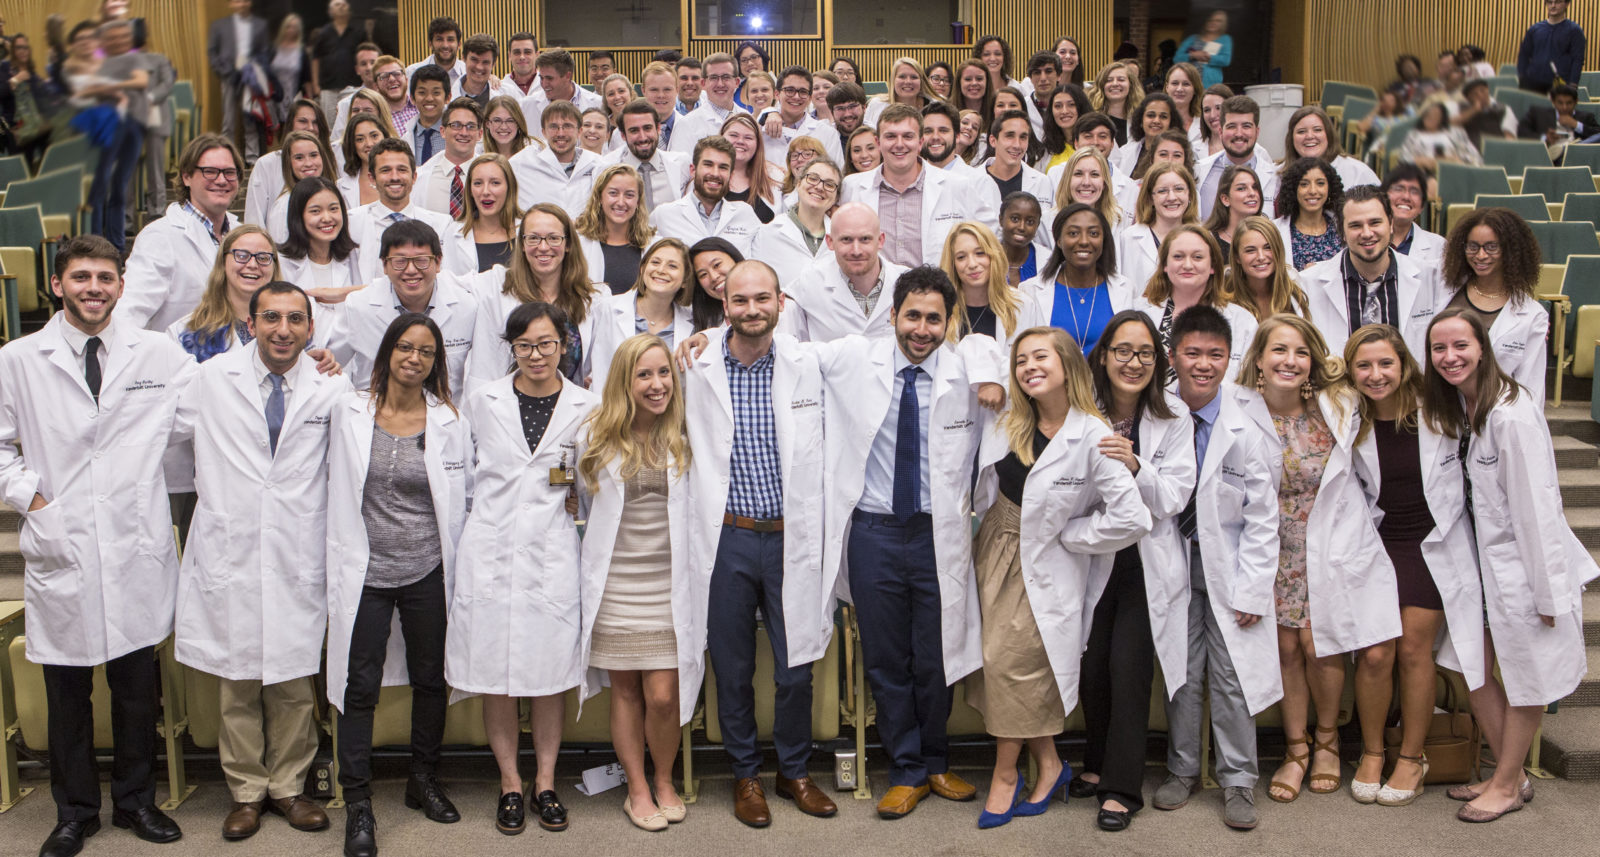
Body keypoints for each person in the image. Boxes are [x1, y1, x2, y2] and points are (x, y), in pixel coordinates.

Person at [0, 235, 193, 857]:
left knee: (138, 688)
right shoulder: (20, 359)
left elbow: (216, 401)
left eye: (105, 278)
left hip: (133, 542)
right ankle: (75, 813)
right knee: (67, 694)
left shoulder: (156, 352)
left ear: (121, 285)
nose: (94, 288)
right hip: (64, 544)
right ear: (57, 285)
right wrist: (36, 502)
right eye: (81, 277)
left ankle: (136, 803)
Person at [806, 267, 988, 819]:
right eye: (913, 315)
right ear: (892, 315)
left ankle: (936, 762)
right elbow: (785, 352)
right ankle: (906, 770)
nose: (923, 328)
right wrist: (707, 337)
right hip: (874, 533)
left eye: (935, 318)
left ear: (948, 321)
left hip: (938, 535)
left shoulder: (966, 374)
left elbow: (1003, 363)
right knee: (886, 659)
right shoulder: (856, 358)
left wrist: (983, 356)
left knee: (935, 657)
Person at [170, 280, 343, 842]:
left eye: (295, 319)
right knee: (237, 681)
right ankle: (245, 792)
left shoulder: (329, 389)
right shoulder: (209, 380)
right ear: (251, 322)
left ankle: (290, 788)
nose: (283, 329)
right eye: (271, 317)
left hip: (296, 550)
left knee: (293, 681)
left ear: (310, 328)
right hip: (233, 550)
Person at [970, 325, 1152, 829]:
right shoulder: (1011, 420)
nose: (1029, 367)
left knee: (1010, 665)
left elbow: (1132, 518)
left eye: (1040, 358)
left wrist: (1073, 535)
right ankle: (1050, 764)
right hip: (996, 549)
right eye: (1021, 360)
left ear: (1068, 365)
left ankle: (1006, 774)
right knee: (998, 664)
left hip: (1045, 563)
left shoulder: (1093, 435)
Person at [680, 260, 838, 828]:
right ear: (724, 304)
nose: (752, 309)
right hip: (726, 538)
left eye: (762, 299)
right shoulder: (692, 362)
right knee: (732, 664)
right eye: (740, 300)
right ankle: (745, 773)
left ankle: (793, 770)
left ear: (780, 302)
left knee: (797, 667)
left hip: (791, 536)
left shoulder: (807, 362)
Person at [1423, 307, 1596, 822]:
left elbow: (1537, 508)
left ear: (1483, 347)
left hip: (1524, 568)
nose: (1450, 357)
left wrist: (1547, 593)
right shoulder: (1465, 405)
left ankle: (1504, 783)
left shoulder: (1512, 413)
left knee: (1526, 676)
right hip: (1480, 567)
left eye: (1460, 345)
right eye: (1439, 349)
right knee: (1472, 669)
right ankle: (1511, 773)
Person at [444, 300, 599, 836]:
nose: (536, 355)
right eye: (525, 346)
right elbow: (463, 474)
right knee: (497, 678)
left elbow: (585, 483)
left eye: (546, 344)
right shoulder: (482, 399)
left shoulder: (587, 405)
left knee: (549, 677)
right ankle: (510, 782)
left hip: (553, 552)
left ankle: (546, 782)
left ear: (564, 346)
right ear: (511, 348)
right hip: (489, 550)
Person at [1238, 315, 1400, 804]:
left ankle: (1327, 741)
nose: (1290, 360)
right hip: (1270, 543)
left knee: (1319, 646)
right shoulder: (1240, 409)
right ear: (1260, 361)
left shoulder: (1338, 403)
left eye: (1301, 352)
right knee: (1286, 648)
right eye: (1279, 351)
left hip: (1333, 541)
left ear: (1313, 363)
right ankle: (1295, 749)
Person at [325, 312, 470, 857]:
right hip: (363, 570)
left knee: (431, 678)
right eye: (405, 347)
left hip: (427, 567)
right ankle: (358, 800)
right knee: (357, 685)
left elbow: (466, 492)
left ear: (436, 362)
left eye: (426, 352)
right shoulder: (349, 411)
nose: (414, 358)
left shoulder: (449, 419)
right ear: (387, 351)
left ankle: (422, 779)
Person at [1343, 324, 1484, 807]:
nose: (1376, 374)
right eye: (1364, 365)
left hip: (1431, 544)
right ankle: (1373, 751)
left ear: (1404, 364)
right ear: (1351, 371)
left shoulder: (1440, 413)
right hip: (1377, 545)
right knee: (1377, 654)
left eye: (1386, 363)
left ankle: (1412, 756)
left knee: (1412, 651)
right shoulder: (1349, 419)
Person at [1152, 304, 1280, 831]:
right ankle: (1182, 771)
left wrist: (1252, 590)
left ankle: (1237, 779)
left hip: (1227, 567)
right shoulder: (1156, 415)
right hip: (1173, 562)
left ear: (1229, 359)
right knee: (1181, 673)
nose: (1203, 364)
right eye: (1192, 353)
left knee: (1231, 678)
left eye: (1215, 355)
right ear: (1173, 355)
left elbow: (1262, 516)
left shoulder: (1244, 425)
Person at [1074, 311, 1196, 831]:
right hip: (1092, 554)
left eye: (1145, 352)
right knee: (1092, 666)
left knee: (1128, 670)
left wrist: (1136, 464)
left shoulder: (1174, 418)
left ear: (1158, 361)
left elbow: (1175, 495)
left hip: (1145, 562)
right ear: (1103, 356)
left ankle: (1123, 788)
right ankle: (1098, 766)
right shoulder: (1082, 414)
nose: (1133, 361)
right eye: (1122, 350)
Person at [575, 333, 699, 832]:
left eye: (664, 372)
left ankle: (664, 779)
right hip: (617, 581)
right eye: (644, 375)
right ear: (624, 382)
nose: (656, 384)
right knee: (625, 690)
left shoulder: (687, 431)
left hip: (669, 584)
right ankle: (638, 788)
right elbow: (583, 506)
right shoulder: (595, 434)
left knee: (664, 694)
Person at [465, 204, 609, 388]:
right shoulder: (496, 284)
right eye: (533, 238)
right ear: (522, 245)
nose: (543, 247)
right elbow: (444, 284)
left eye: (553, 238)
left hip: (572, 409)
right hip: (506, 407)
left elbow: (603, 362)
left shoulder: (594, 298)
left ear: (568, 244)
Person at [840, 104, 1001, 267]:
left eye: (908, 136)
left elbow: (991, 237)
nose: (899, 144)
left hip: (939, 290)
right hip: (876, 291)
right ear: (878, 142)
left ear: (920, 142)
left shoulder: (958, 186)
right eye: (890, 136)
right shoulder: (852, 187)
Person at [327, 219, 476, 393]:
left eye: (421, 260)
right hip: (375, 410)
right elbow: (329, 362)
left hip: (442, 414)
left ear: (438, 262)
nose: (411, 270)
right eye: (400, 261)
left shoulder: (466, 307)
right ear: (384, 265)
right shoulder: (358, 306)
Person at [1303, 186, 1447, 359]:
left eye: (1375, 223)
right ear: (1342, 232)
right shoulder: (1307, 285)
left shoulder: (1431, 278)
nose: (1367, 233)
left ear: (1391, 224)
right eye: (1356, 225)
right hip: (1340, 385)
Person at [123, 135, 245, 331]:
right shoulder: (159, 237)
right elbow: (129, 313)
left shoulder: (243, 234)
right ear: (186, 177)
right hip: (175, 358)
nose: (222, 180)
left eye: (230, 172)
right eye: (210, 172)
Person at [1440, 207, 1549, 401]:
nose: (1480, 255)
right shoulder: (1443, 294)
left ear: (1510, 251)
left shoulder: (1532, 315)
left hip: (1496, 416)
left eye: (1492, 247)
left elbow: (1531, 388)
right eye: (1473, 246)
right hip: (1442, 410)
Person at [1135, 224, 1258, 379]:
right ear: (1165, 265)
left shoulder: (1244, 322)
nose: (1187, 265)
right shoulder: (1138, 312)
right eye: (1178, 256)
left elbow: (1246, 384)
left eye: (1198, 257)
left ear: (1213, 266)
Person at [1016, 203, 1134, 354]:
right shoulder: (1029, 290)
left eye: (1093, 234)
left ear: (1104, 240)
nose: (1084, 241)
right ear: (1058, 241)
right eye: (1073, 233)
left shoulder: (1125, 288)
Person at [780, 203, 908, 342]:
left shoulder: (909, 284)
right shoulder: (810, 282)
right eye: (846, 240)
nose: (856, 251)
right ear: (830, 242)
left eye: (865, 239)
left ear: (880, 240)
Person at [344, 137, 455, 285]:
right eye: (386, 170)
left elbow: (445, 279)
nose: (395, 177)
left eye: (402, 170)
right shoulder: (351, 223)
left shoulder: (440, 224)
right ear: (372, 178)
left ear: (414, 176)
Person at [588, 238, 696, 386]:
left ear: (685, 280)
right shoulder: (605, 309)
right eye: (655, 262)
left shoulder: (694, 324)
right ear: (642, 268)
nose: (661, 270)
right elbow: (582, 368)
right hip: (612, 407)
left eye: (672, 266)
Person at [649, 135, 761, 255]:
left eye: (723, 167)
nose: (715, 173)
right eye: (708, 164)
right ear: (693, 170)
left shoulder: (745, 214)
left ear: (731, 175)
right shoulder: (664, 215)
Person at [246, 99, 330, 228]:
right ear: (290, 124)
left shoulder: (327, 162)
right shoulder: (267, 163)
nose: (310, 128)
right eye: (303, 121)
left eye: (315, 123)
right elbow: (254, 219)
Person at [753, 158, 840, 284]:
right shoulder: (768, 233)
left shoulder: (843, 237)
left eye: (830, 184)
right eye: (813, 178)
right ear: (798, 184)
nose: (820, 187)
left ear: (836, 197)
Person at [510, 101, 603, 219]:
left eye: (567, 126)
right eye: (553, 127)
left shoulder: (598, 164)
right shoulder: (521, 162)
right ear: (543, 132)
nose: (560, 133)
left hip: (584, 236)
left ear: (579, 131)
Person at [1118, 162, 1199, 292]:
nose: (1172, 197)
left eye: (1179, 189)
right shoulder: (1129, 238)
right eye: (1162, 191)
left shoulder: (1203, 237)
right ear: (1150, 198)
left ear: (1189, 194)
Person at [601, 99, 691, 215]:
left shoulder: (681, 163)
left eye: (647, 128)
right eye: (634, 131)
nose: (642, 137)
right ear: (623, 135)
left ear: (658, 129)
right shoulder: (606, 168)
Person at [1195, 95, 1277, 220]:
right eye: (1231, 126)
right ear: (1221, 132)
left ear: (1257, 132)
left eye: (1246, 126)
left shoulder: (1275, 178)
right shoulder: (1199, 171)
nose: (1239, 133)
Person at [207, 0, 269, 163]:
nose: (241, 4)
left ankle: (252, 159)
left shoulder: (260, 25)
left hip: (250, 77)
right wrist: (223, 71)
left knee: (250, 118)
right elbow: (212, 52)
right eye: (237, 1)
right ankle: (227, 158)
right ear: (231, 4)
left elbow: (264, 51)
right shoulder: (219, 25)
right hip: (228, 77)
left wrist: (255, 69)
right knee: (228, 120)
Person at [576, 165, 654, 294]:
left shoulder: (653, 245)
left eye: (629, 195)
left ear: (638, 201)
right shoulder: (578, 244)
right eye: (613, 193)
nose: (621, 202)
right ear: (599, 197)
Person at [943, 220, 1022, 346]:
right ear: (953, 264)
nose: (972, 264)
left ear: (994, 255)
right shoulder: (942, 310)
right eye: (961, 257)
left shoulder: (1022, 304)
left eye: (980, 253)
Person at [279, 176, 362, 289]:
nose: (327, 218)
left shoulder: (355, 257)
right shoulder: (281, 263)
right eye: (315, 211)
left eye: (333, 209)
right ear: (298, 216)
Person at [444, 153, 519, 275]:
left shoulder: (527, 229)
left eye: (495, 183)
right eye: (478, 183)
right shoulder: (454, 233)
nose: (485, 191)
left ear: (509, 187)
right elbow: (450, 285)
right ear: (470, 190)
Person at [1225, 215, 1311, 320]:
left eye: (1268, 247)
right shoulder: (1224, 300)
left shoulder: (1295, 292)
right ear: (1237, 257)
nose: (1261, 257)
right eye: (1250, 250)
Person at [1280, 106, 1381, 191]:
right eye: (1301, 131)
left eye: (1317, 130)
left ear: (1328, 134)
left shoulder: (1358, 172)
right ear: (1291, 138)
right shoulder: (1278, 175)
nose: (1309, 136)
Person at [265, 130, 338, 245]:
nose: (308, 163)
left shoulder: (334, 194)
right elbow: (281, 253)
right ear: (288, 163)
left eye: (313, 155)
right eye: (299, 158)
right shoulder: (283, 207)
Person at [520, 48, 605, 143]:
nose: (544, 84)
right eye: (541, 78)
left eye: (549, 78)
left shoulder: (598, 104)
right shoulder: (526, 105)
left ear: (567, 76)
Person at [1273, 157, 1344, 271]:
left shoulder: (1342, 227)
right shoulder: (1276, 230)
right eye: (1304, 184)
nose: (1312, 191)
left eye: (1320, 183)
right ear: (1293, 189)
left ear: (1330, 188)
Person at [668, 52, 747, 155]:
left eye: (726, 77)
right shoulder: (686, 126)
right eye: (713, 78)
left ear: (737, 82)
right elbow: (680, 169)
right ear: (703, 83)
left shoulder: (748, 119)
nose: (720, 84)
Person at [722, 113, 785, 224]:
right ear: (721, 137)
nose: (740, 141)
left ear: (758, 144)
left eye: (748, 137)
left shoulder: (775, 176)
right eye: (733, 135)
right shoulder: (706, 175)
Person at [982, 109, 1054, 207]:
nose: (1017, 145)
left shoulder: (1043, 182)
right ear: (993, 141)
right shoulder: (971, 182)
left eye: (1023, 137)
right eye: (1010, 136)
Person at [1382, 164, 1447, 269]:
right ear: (1383, 197)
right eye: (1399, 189)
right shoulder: (1367, 238)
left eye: (1414, 191)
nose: (1406, 197)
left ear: (1422, 206)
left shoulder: (1439, 246)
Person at [1516, 0, 1586, 94]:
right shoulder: (1534, 30)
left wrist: (1573, 85)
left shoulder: (1575, 31)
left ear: (1567, 4)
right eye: (1549, 2)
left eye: (1557, 2)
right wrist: (1522, 79)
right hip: (1532, 85)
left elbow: (1577, 60)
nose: (1553, 6)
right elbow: (1524, 56)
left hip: (1559, 86)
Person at [1054, 147, 1124, 237]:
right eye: (1078, 174)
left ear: (1104, 183)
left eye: (1094, 174)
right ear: (1067, 180)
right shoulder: (1046, 222)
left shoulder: (1118, 220)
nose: (1086, 182)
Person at [1398, 101, 1483, 175]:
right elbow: (1403, 158)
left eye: (1436, 115)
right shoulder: (1413, 135)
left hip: (1453, 171)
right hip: (1422, 172)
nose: (1431, 117)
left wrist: (1457, 160)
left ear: (1442, 118)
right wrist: (1419, 161)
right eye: (1428, 114)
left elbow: (1475, 157)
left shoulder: (1455, 133)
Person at [1518, 82, 1596, 161]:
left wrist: (1576, 125)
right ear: (1553, 101)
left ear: (1576, 102)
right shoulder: (1540, 115)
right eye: (1560, 103)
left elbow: (1597, 135)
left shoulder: (1586, 117)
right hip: (1548, 156)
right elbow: (1521, 132)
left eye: (1569, 103)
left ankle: (1565, 149)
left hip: (1577, 157)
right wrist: (1545, 138)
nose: (1564, 107)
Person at [310, 0, 361, 120]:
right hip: (328, 87)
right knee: (329, 123)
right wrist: (315, 84)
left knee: (353, 121)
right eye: (338, 5)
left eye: (344, 5)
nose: (341, 7)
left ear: (349, 10)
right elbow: (315, 59)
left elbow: (363, 56)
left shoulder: (358, 32)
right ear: (330, 11)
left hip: (353, 85)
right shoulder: (323, 33)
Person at [1201, 164, 1262, 258]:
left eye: (1255, 187)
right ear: (1225, 199)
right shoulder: (1207, 240)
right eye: (1241, 188)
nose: (1252, 193)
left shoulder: (1269, 234)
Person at [1110, 93, 1175, 177]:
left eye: (1163, 116)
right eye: (1151, 115)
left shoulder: (1178, 153)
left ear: (1171, 122)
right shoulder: (1124, 152)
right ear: (1141, 120)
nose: (1156, 121)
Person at [338, 111, 392, 208]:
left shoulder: (405, 176)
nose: (369, 144)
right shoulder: (341, 187)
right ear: (352, 145)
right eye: (360, 139)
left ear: (384, 136)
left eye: (374, 136)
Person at [268, 15, 311, 126]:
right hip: (274, 96)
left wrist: (311, 100)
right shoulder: (274, 49)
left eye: (294, 27)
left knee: (292, 124)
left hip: (294, 95)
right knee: (275, 128)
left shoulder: (301, 51)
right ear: (283, 28)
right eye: (288, 26)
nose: (291, 30)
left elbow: (306, 78)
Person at [1038, 84, 1091, 173]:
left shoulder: (1098, 141)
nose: (1064, 111)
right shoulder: (1047, 149)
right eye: (1058, 106)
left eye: (1071, 105)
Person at [404, 16, 463, 91]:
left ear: (459, 44)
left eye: (450, 40)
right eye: (439, 39)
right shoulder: (411, 72)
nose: (445, 45)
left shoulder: (468, 74)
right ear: (430, 44)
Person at [1089, 62, 1142, 146]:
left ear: (1130, 84)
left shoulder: (1140, 121)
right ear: (1102, 85)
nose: (1115, 84)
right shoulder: (1090, 119)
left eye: (1121, 79)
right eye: (1109, 80)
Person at [997, 192, 1044, 287]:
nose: (1022, 227)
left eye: (1030, 222)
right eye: (1015, 219)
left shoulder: (1047, 262)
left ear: (1037, 225)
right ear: (1001, 220)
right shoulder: (985, 257)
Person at [1177, 10, 1232, 89]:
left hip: (1210, 83)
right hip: (1189, 81)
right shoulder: (1192, 39)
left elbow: (1226, 60)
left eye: (1218, 21)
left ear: (1223, 24)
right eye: (1210, 20)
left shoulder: (1225, 39)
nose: (1213, 23)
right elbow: (1178, 58)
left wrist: (1208, 56)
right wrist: (1193, 55)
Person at [1165, 63, 1205, 147]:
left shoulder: (1204, 124)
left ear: (1195, 89)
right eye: (1175, 83)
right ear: (1167, 87)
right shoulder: (1157, 122)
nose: (1179, 89)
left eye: (1186, 84)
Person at [495, 32, 540, 101]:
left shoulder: (547, 85)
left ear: (537, 55)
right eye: (517, 52)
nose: (522, 57)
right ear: (509, 56)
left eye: (527, 52)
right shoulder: (499, 89)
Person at [456, 35, 498, 110]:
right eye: (474, 60)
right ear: (463, 58)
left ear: (493, 64)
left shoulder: (507, 93)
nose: (479, 67)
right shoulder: (447, 97)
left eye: (485, 62)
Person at [1198, 84, 1234, 158]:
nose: (1212, 115)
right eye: (1207, 110)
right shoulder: (1193, 149)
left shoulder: (1254, 149)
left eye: (1218, 108)